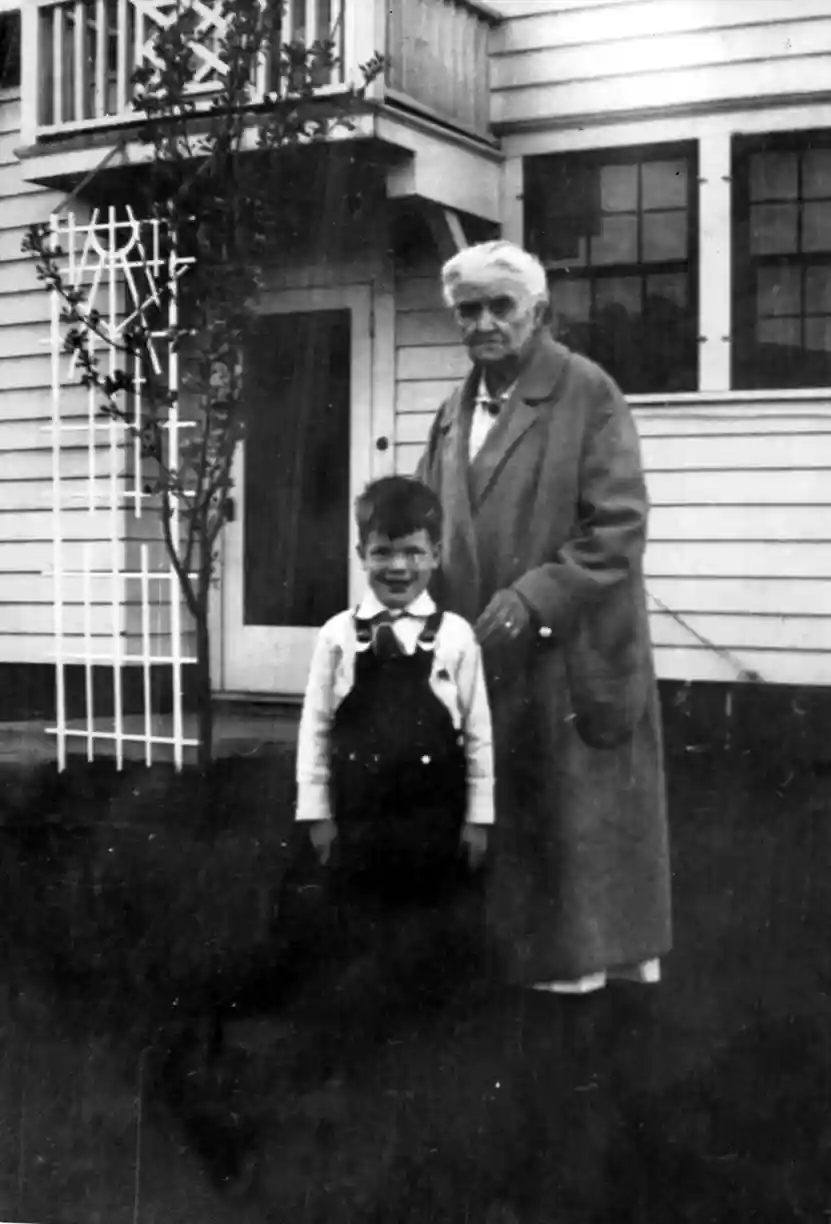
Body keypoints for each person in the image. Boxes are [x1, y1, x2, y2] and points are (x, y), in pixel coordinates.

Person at [416, 239, 672, 995]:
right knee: (506, 810)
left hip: (573, 648)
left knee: (576, 819)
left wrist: (533, 597)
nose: (484, 323)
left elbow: (616, 526)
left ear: (538, 314)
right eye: (469, 310)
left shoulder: (587, 391)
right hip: (484, 653)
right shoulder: (449, 410)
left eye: (501, 307)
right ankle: (520, 967)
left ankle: (590, 980)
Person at [290, 475, 494, 1078]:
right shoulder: (337, 636)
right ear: (361, 555)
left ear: (435, 555)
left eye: (413, 551)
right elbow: (316, 728)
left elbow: (479, 733)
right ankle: (358, 1037)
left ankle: (429, 1036)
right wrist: (317, 811)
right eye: (382, 551)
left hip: (432, 815)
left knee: (429, 921)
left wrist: (479, 818)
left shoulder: (456, 637)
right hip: (360, 814)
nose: (397, 566)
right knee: (357, 919)